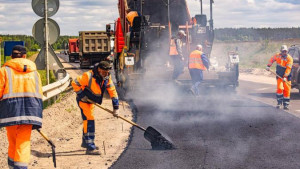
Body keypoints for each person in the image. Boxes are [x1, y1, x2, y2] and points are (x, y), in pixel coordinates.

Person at [0, 45, 43, 169]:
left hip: (10, 112)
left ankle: (12, 166)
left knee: (13, 141)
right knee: (23, 143)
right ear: (24, 56)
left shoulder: (4, 71)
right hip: (30, 111)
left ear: (11, 56)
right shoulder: (35, 73)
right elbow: (39, 94)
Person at [71, 61, 119, 155]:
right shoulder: (88, 76)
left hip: (91, 101)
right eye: (104, 72)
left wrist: (116, 108)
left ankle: (86, 143)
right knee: (89, 120)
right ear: (99, 70)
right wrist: (82, 95)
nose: (106, 74)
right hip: (83, 101)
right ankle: (90, 148)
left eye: (107, 72)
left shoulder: (107, 77)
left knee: (87, 120)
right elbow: (74, 83)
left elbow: (112, 91)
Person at [266, 45, 293, 110]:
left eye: (285, 51)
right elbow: (272, 59)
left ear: (287, 51)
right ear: (281, 51)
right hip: (279, 75)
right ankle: (279, 103)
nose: (284, 52)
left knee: (287, 90)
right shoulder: (277, 55)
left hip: (287, 76)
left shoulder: (289, 58)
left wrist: (285, 76)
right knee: (279, 88)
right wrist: (268, 66)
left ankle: (286, 104)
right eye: (283, 51)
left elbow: (288, 69)